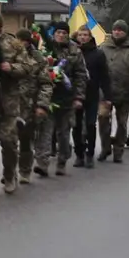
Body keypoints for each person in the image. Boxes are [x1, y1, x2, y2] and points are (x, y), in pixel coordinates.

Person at [0, 12, 35, 196]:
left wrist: (11, 68)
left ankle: (10, 176)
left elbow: (28, 67)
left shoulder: (14, 44)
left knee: (8, 142)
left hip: (8, 102)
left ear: (1, 25)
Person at [34, 22, 88, 178]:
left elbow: (81, 75)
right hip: (48, 96)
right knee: (45, 132)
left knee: (63, 133)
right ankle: (42, 164)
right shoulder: (46, 48)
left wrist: (79, 97)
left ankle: (62, 161)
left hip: (67, 97)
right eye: (58, 32)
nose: (61, 35)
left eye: (64, 32)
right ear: (54, 33)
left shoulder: (75, 51)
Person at [97, 20, 129, 163]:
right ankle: (106, 147)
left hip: (125, 90)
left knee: (122, 122)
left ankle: (119, 149)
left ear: (125, 32)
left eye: (120, 30)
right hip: (105, 91)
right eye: (115, 30)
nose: (117, 32)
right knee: (102, 118)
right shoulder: (104, 47)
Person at [15, 29, 52, 184]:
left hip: (29, 105)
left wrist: (42, 105)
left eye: (21, 40)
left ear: (28, 42)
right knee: (8, 142)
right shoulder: (9, 56)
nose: (18, 44)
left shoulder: (38, 58)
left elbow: (46, 84)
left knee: (25, 141)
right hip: (11, 105)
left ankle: (24, 171)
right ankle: (9, 172)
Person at [74, 26, 111, 169]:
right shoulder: (74, 52)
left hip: (92, 93)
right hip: (76, 94)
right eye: (80, 35)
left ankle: (90, 154)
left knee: (90, 124)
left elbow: (104, 76)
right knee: (76, 126)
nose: (82, 37)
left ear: (90, 37)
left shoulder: (98, 54)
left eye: (85, 35)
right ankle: (79, 155)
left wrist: (108, 96)